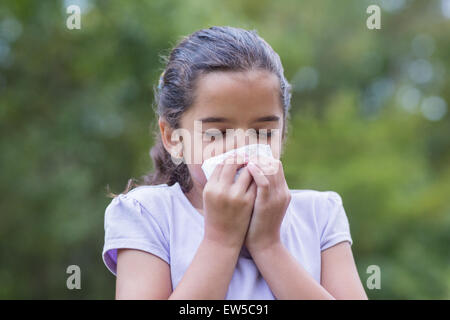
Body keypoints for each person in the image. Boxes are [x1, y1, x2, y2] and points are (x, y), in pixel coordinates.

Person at [102, 26, 368, 300]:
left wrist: (268, 245)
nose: (242, 146)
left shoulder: (320, 215)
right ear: (173, 138)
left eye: (263, 132)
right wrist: (221, 240)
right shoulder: (146, 214)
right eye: (219, 132)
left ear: (283, 134)